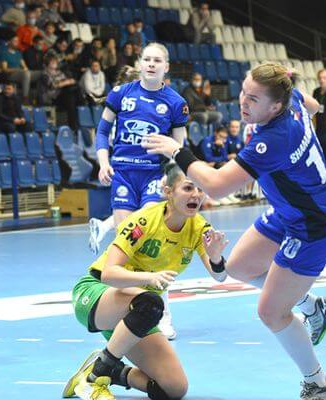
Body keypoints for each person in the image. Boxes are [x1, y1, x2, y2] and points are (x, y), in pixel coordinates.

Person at [143, 62, 326, 400]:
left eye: (253, 99)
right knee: (237, 266)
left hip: (315, 225)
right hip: (289, 210)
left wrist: (177, 151)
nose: (243, 102)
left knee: (271, 312)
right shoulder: (292, 99)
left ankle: (319, 383)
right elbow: (313, 106)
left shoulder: (273, 139)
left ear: (275, 106)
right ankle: (313, 307)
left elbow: (217, 186)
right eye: (243, 92)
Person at [62, 163, 229, 400]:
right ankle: (94, 378)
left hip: (138, 312)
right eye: (188, 188)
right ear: (169, 191)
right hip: (97, 294)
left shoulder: (199, 227)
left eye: (200, 189)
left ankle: (111, 371)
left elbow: (219, 276)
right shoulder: (143, 221)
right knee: (150, 303)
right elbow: (109, 273)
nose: (196, 195)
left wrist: (216, 258)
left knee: (173, 389)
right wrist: (148, 277)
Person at [87, 43, 189, 341]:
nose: (151, 64)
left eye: (157, 60)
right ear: (140, 63)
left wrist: (173, 177)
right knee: (127, 243)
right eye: (147, 59)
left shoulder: (176, 103)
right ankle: (134, 310)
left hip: (154, 176)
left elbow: (180, 146)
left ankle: (163, 314)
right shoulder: (121, 93)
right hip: (122, 174)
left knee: (150, 240)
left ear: (166, 67)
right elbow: (102, 132)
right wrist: (103, 162)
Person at [37, 56, 83, 129]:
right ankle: (81, 104)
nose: (54, 63)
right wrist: (66, 82)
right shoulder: (44, 74)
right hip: (53, 98)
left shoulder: (59, 72)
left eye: (55, 61)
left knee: (71, 95)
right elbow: (52, 85)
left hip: (64, 96)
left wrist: (65, 83)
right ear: (47, 64)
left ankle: (74, 125)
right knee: (71, 92)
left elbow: (68, 82)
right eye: (52, 62)